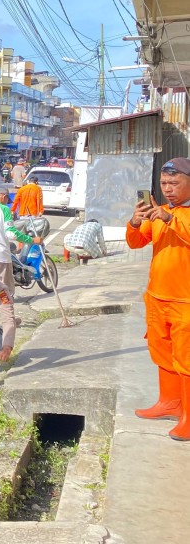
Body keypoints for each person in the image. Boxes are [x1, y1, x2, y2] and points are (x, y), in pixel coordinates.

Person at [126, 157, 190, 440]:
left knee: (186, 360)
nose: (168, 189)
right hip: (157, 298)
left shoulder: (173, 216)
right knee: (161, 353)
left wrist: (171, 219)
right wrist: (134, 221)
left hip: (185, 302)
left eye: (175, 183)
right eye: (164, 183)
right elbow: (136, 242)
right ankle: (169, 403)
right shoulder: (161, 212)